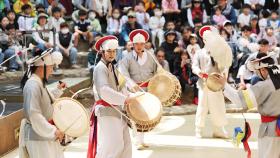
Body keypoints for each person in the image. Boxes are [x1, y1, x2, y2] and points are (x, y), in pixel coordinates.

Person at [222, 53, 280, 158]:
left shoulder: (264, 86)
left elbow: (240, 100)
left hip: (271, 129)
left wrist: (223, 86)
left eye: (258, 71)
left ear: (264, 70)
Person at [87, 35, 133, 158]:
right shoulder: (100, 68)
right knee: (112, 146)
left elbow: (122, 86)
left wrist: (131, 94)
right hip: (107, 110)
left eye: (114, 51)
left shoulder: (113, 67)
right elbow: (104, 91)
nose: (112, 54)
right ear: (102, 52)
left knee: (125, 145)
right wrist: (125, 99)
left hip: (118, 109)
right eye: (109, 51)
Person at [18, 48, 64, 158]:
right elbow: (34, 114)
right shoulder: (32, 85)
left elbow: (46, 101)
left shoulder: (38, 83)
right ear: (41, 67)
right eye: (51, 67)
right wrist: (53, 131)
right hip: (38, 136)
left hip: (45, 133)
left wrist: (58, 90)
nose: (52, 71)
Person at [119, 29, 158, 150]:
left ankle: (142, 140)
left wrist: (156, 84)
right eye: (137, 44)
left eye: (142, 43)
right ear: (133, 45)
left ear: (145, 44)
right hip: (133, 90)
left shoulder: (151, 56)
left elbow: (158, 71)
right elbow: (122, 72)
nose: (139, 46)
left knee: (145, 115)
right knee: (135, 116)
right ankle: (136, 141)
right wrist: (131, 84)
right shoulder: (127, 57)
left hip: (147, 89)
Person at [192, 26, 228, 138]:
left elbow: (224, 66)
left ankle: (218, 130)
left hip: (216, 83)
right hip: (203, 83)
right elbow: (194, 66)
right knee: (202, 106)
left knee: (218, 106)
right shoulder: (199, 53)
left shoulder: (218, 53)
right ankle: (199, 129)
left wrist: (223, 75)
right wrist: (199, 72)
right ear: (203, 40)